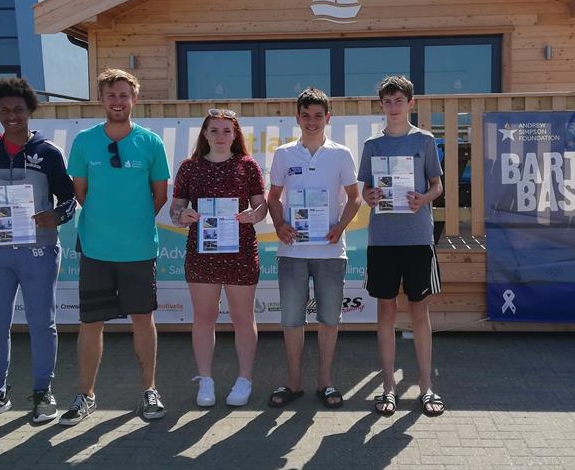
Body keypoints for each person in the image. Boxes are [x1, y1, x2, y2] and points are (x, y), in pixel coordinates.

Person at [0, 77, 76, 425]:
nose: (12, 116)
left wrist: (55, 216)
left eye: (19, 109)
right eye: (5, 110)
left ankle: (43, 391)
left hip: (38, 251)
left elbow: (69, 199)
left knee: (43, 322)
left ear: (30, 111)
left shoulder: (48, 153)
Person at [60, 69, 169, 425]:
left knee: (143, 319)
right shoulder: (84, 141)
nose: (118, 101)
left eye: (124, 95)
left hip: (139, 250)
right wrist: (107, 222)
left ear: (134, 99)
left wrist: (134, 222)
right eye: (111, 95)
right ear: (102, 99)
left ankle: (149, 390)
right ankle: (86, 394)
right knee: (91, 323)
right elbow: (80, 192)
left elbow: (160, 194)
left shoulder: (151, 142)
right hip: (95, 249)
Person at [266, 87, 362, 409]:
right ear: (298, 118)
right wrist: (279, 225)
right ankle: (293, 383)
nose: (312, 121)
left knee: (329, 320)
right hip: (292, 252)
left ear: (328, 118)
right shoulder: (283, 154)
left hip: (331, 252)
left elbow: (355, 197)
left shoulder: (341, 154)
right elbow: (273, 198)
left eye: (318, 116)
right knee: (292, 320)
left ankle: (325, 382)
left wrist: (340, 227)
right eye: (306, 115)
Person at [357, 75, 445, 417]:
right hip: (382, 240)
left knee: (419, 312)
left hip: (417, 240)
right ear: (381, 105)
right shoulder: (372, 146)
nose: (393, 107)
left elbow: (437, 186)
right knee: (386, 313)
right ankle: (388, 388)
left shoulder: (424, 140)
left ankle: (426, 387)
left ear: (411, 103)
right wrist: (371, 196)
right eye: (387, 101)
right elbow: (366, 193)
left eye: (399, 101)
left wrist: (423, 198)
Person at [170, 108, 267, 407]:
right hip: (202, 254)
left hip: (240, 252)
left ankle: (245, 379)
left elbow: (261, 208)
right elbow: (175, 211)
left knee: (243, 318)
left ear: (236, 134)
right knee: (203, 318)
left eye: (227, 130)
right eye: (214, 130)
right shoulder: (189, 167)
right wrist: (182, 216)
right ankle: (206, 380)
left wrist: (254, 215)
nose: (221, 136)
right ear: (205, 134)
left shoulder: (248, 166)